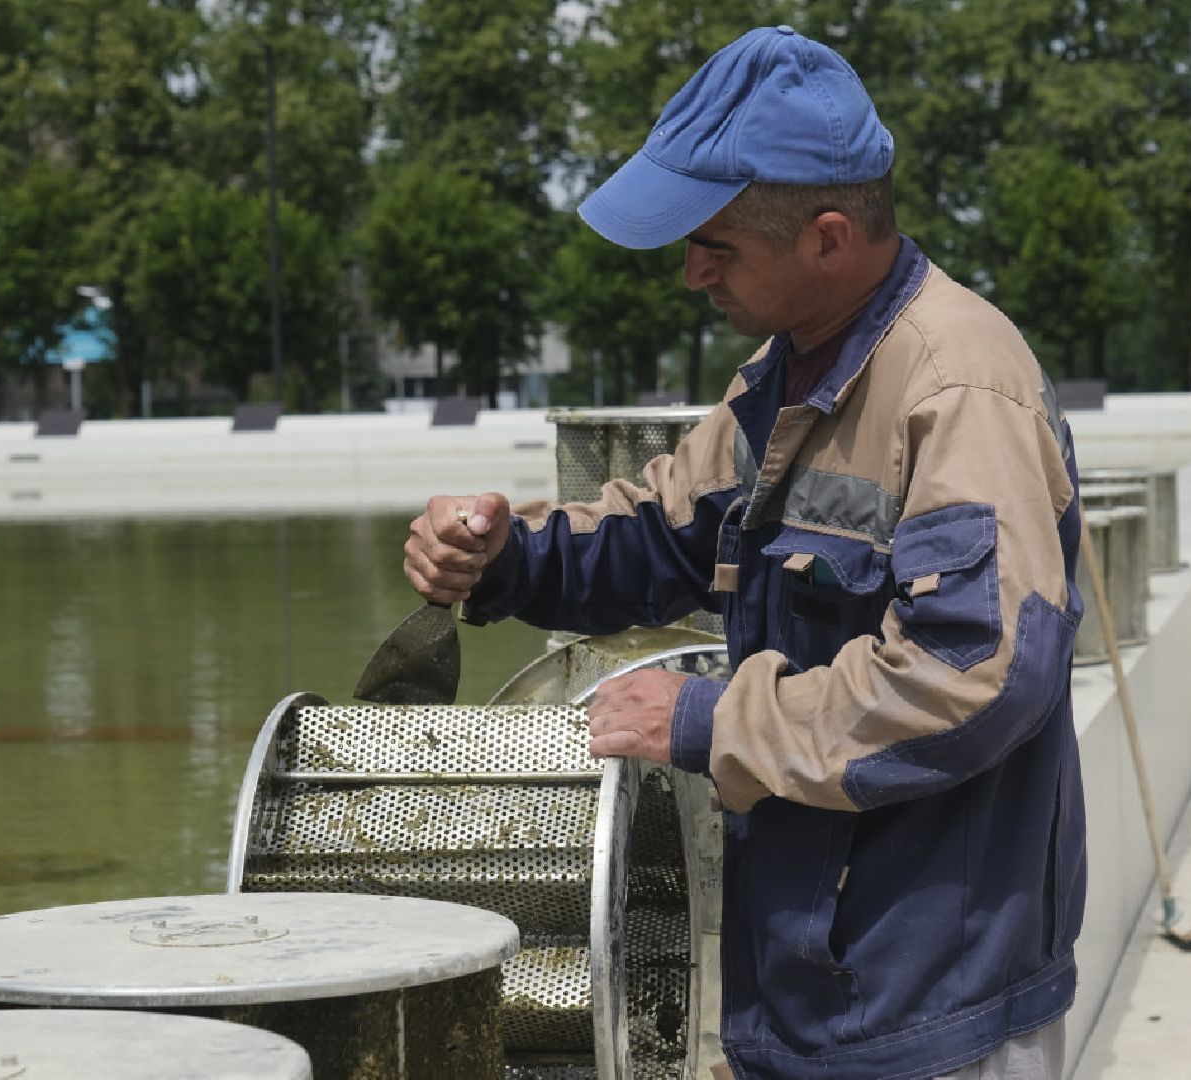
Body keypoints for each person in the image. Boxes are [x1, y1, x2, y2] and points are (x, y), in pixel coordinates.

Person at [403, 25, 1086, 1080]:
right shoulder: (783, 380)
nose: (688, 275)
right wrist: (502, 552)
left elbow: (976, 676)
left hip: (927, 1007)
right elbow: (656, 536)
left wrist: (711, 717)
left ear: (824, 238)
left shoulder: (956, 387)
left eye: (713, 245)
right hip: (807, 984)